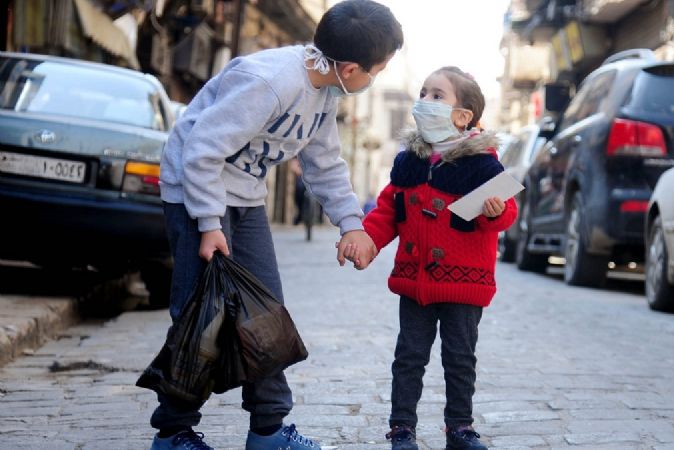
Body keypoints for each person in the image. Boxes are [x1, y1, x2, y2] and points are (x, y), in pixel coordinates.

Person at [148, 1, 402, 449]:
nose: (374, 79)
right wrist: (209, 223)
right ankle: (173, 433)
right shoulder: (269, 82)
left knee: (265, 315)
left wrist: (350, 224)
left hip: (243, 197)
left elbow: (324, 164)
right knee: (199, 315)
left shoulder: (324, 93)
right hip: (195, 192)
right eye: (376, 71)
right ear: (349, 67)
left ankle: (267, 431)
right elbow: (201, 152)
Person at [342, 67, 517, 450]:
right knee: (409, 356)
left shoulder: (483, 165)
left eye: (438, 95)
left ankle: (460, 428)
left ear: (462, 116)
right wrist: (367, 241)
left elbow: (507, 213)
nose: (426, 100)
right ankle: (401, 428)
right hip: (415, 280)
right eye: (424, 92)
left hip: (464, 283)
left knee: (459, 357)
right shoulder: (410, 162)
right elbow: (389, 210)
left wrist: (493, 210)